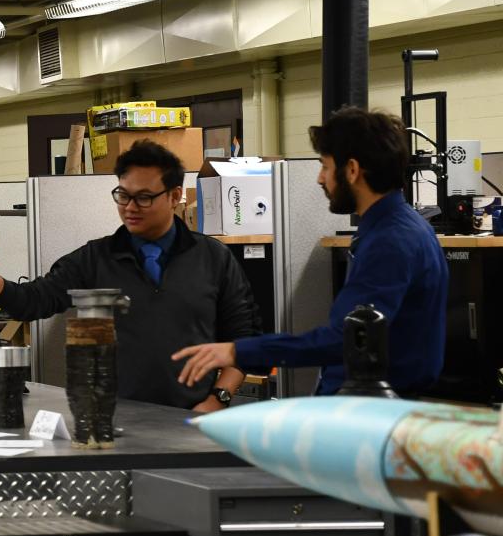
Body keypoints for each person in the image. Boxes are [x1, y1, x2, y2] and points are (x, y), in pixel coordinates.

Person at [173, 108, 447, 395]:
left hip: (372, 414)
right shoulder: (400, 228)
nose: (319, 178)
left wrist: (239, 351)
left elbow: (347, 340)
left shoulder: (391, 240)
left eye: (326, 167)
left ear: (352, 170)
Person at [0, 140, 260, 411]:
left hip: (193, 418)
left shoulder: (213, 258)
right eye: (123, 195)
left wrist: (217, 399)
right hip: (116, 421)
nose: (130, 207)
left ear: (175, 196)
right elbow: (32, 301)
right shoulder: (95, 259)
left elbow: (244, 338)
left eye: (144, 198)